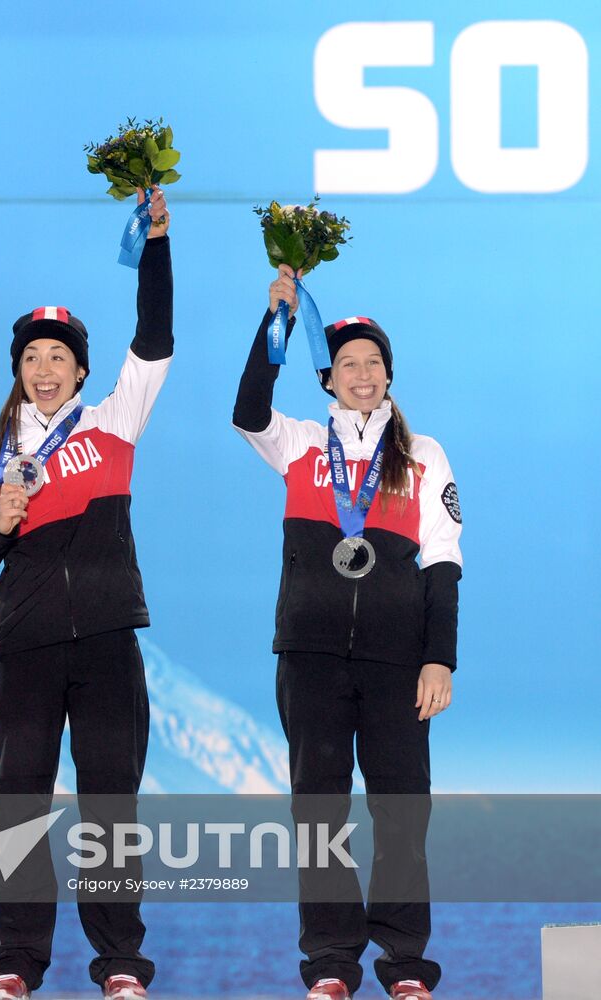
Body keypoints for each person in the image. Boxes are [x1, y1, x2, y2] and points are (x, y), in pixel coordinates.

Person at [0, 187, 172, 1000]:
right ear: (18, 369)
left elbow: (155, 341)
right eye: (32, 357)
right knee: (20, 809)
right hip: (25, 650)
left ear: (81, 369)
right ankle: (14, 963)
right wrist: (5, 522)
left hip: (110, 642)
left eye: (59, 357)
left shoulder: (113, 423)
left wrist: (155, 245)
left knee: (110, 810)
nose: (44, 369)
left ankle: (119, 963)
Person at [232, 265, 463, 1000]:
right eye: (349, 366)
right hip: (311, 657)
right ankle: (331, 963)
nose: (362, 376)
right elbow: (246, 408)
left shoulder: (423, 455)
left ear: (390, 375)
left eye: (374, 364)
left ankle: (403, 966)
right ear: (328, 379)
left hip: (399, 663)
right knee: (319, 810)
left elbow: (444, 566)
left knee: (401, 811)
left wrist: (439, 659)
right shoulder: (297, 442)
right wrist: (278, 322)